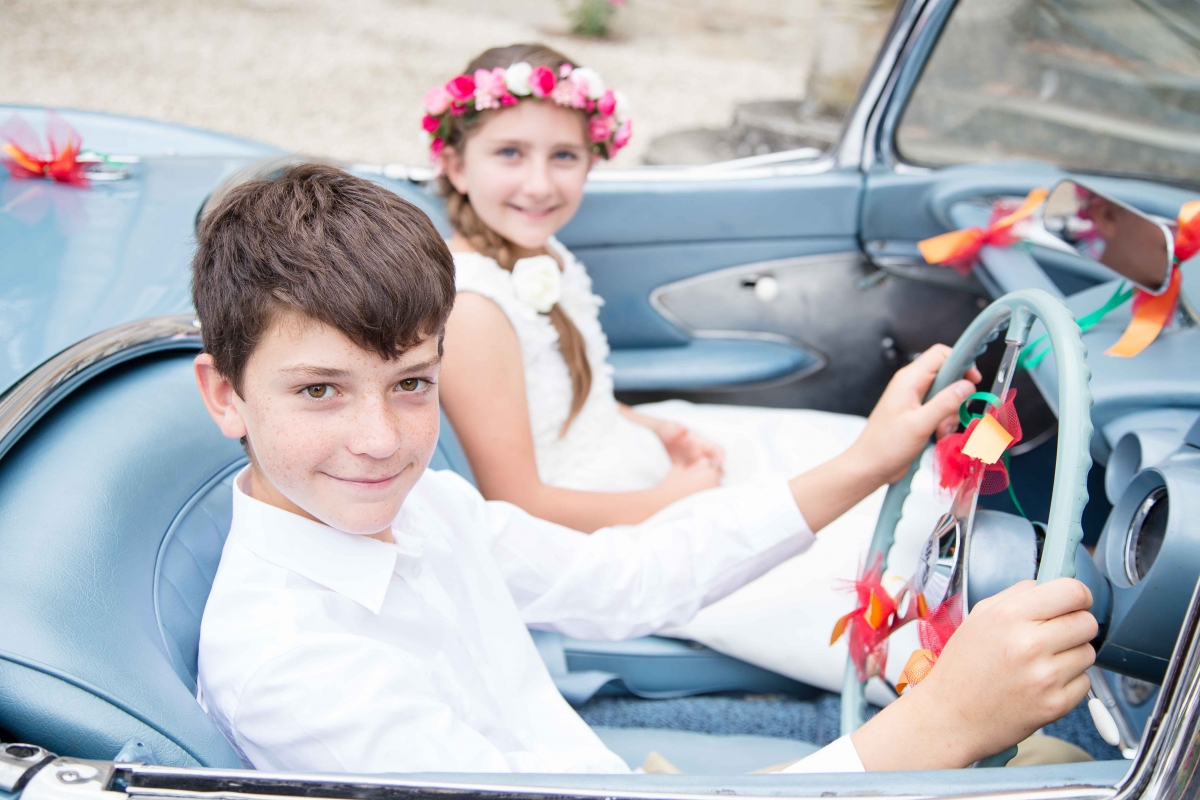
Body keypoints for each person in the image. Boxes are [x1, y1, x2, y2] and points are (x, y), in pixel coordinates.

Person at [192, 164, 1098, 775]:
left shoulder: (428, 506)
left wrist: (864, 464)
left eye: (412, 384)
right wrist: (937, 727)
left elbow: (624, 581)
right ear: (224, 395)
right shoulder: (292, 669)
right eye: (320, 391)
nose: (381, 440)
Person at [433, 43, 949, 694]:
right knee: (827, 553)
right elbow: (521, 503)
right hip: (581, 514)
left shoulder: (543, 253)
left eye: (563, 156)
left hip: (626, 453)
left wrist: (646, 426)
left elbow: (557, 384)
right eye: (510, 153)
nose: (540, 183)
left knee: (847, 460)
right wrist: (673, 497)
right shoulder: (475, 308)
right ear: (454, 164)